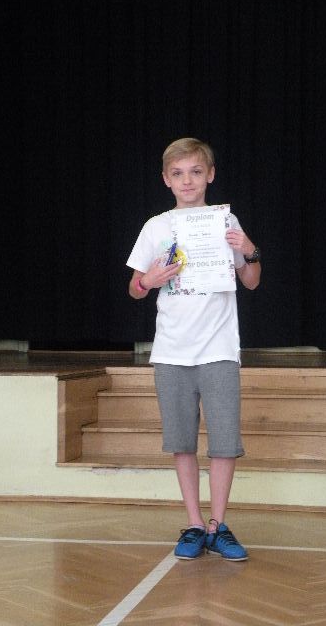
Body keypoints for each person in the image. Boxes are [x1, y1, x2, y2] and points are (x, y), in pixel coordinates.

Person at [126, 137, 261, 561]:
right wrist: (149, 279)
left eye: (196, 172)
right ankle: (195, 523)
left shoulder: (225, 220)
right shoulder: (156, 226)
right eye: (178, 174)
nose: (188, 181)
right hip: (172, 350)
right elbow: (134, 289)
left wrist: (249, 250)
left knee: (223, 442)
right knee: (182, 441)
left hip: (219, 348)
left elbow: (251, 280)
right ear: (166, 180)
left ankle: (218, 525)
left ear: (210, 175)